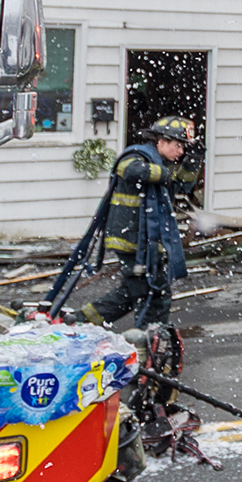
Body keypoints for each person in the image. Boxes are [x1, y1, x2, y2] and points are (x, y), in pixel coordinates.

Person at [86, 118, 196, 332]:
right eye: (178, 145)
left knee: (131, 293)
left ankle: (81, 320)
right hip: (130, 241)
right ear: (161, 142)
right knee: (155, 294)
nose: (181, 151)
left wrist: (192, 163)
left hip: (144, 243)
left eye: (184, 146)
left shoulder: (160, 161)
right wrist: (163, 174)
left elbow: (179, 187)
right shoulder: (138, 155)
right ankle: (150, 339)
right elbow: (130, 170)